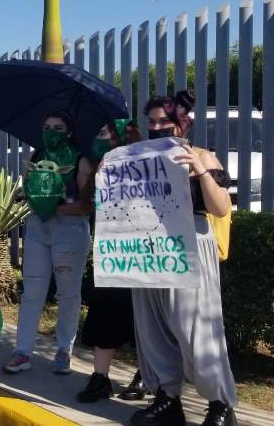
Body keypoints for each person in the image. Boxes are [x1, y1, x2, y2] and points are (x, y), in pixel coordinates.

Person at [129, 95, 237, 426]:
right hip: (149, 248)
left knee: (195, 327)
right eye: (153, 121)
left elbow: (221, 208)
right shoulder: (138, 159)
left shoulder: (202, 156)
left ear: (182, 123)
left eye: (165, 121)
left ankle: (220, 403)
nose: (157, 127)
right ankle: (167, 397)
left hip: (188, 244)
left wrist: (201, 171)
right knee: (153, 326)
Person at [3, 111, 93, 375]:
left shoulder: (80, 161)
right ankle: (22, 352)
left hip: (68, 231)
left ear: (69, 131)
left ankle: (64, 349)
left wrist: (57, 208)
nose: (51, 130)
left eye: (58, 126)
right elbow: (29, 190)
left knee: (67, 293)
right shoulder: (34, 157)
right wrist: (27, 196)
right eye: (47, 126)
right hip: (37, 228)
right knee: (31, 292)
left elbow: (87, 206)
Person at [77, 120, 147, 403]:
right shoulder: (99, 167)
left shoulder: (142, 164)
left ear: (121, 136)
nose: (98, 138)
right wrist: (96, 175)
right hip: (112, 256)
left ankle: (146, 375)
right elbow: (89, 203)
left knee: (145, 319)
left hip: (143, 254)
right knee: (105, 314)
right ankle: (100, 377)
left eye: (103, 132)